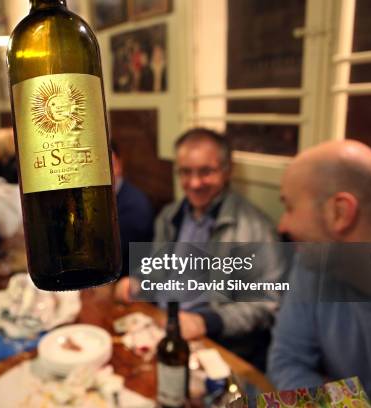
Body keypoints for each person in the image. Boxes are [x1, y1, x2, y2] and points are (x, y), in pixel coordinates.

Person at [116, 128, 284, 369]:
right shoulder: (168, 216)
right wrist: (137, 283)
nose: (194, 183)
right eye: (185, 172)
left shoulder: (257, 230)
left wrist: (207, 321)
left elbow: (268, 305)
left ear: (227, 171)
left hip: (210, 344)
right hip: (156, 326)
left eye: (206, 171)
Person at [268, 140, 371, 404]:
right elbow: (286, 361)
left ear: (339, 212)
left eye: (289, 207)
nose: (282, 225)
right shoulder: (314, 261)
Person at [111, 140, 154, 277]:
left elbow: (111, 255)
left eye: (108, 164)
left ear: (119, 165)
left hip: (130, 283)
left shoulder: (135, 205)